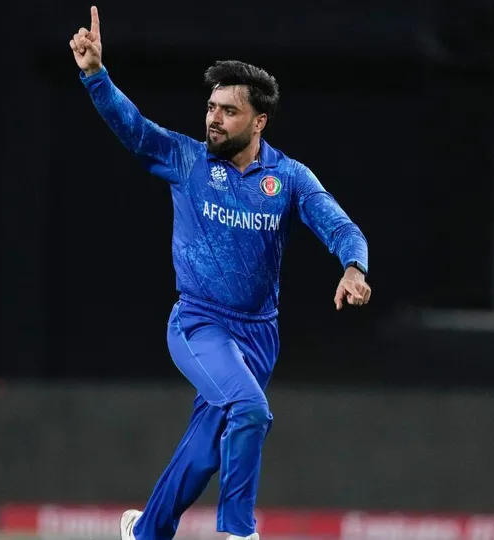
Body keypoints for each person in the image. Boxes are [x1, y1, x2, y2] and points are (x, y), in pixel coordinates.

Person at [69, 6, 371, 540]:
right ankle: (238, 532)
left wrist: (353, 266)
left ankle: (146, 531)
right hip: (199, 323)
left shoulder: (288, 177)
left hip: (259, 335)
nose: (212, 118)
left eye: (228, 111)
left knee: (206, 447)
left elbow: (341, 225)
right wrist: (96, 74)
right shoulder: (186, 161)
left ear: (258, 122)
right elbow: (133, 129)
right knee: (250, 410)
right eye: (210, 107)